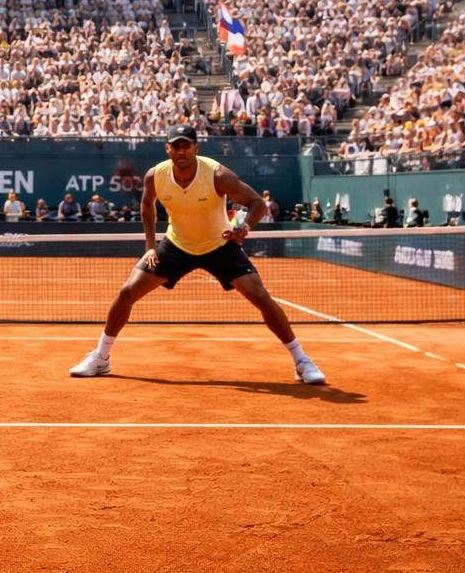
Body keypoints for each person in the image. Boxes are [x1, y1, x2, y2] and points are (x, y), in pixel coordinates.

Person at [69, 125, 326, 386]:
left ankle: (302, 360)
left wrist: (245, 227)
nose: (181, 150)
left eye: (186, 145)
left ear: (196, 147)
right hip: (176, 245)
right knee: (127, 292)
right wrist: (149, 245)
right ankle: (101, 358)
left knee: (260, 296)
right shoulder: (155, 176)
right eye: (175, 146)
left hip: (219, 245)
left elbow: (257, 203)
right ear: (167, 148)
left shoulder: (217, 175)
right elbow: (147, 205)